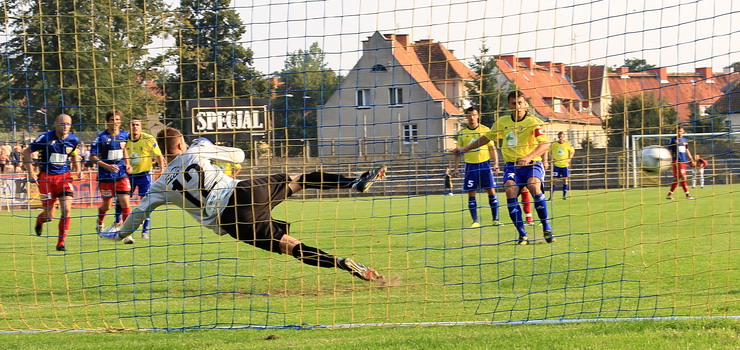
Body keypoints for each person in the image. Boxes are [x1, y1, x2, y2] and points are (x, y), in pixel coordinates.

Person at [101, 127, 387, 282]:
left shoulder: (162, 183)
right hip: (247, 193)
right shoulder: (197, 149)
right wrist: (211, 148)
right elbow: (238, 155)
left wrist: (121, 234)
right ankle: (352, 184)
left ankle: (340, 263)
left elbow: (138, 213)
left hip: (233, 222)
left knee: (289, 245)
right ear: (180, 145)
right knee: (300, 178)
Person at [453, 91, 554, 245]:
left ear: (525, 104)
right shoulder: (502, 122)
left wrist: (528, 157)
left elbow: (545, 143)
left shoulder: (534, 122)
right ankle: (522, 235)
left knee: (534, 185)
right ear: (509, 105)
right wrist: (465, 149)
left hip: (532, 164)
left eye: (520, 103)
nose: (517, 107)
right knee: (509, 188)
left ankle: (546, 227)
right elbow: (486, 138)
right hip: (511, 166)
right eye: (514, 104)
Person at [23, 114, 81, 251]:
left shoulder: (73, 139)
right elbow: (26, 152)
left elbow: (74, 153)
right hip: (47, 179)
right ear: (55, 124)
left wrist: (78, 168)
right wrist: (30, 172)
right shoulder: (45, 137)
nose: (65, 126)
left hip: (64, 177)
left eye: (67, 123)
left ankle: (61, 243)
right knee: (49, 216)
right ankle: (40, 220)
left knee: (66, 209)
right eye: (62, 123)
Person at [113, 117, 166, 239]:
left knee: (147, 202)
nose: (135, 127)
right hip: (128, 175)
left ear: (140, 127)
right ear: (129, 127)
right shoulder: (124, 139)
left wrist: (162, 170)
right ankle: (117, 222)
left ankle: (145, 231)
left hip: (145, 175)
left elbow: (158, 155)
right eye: (132, 124)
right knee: (121, 199)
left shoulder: (148, 138)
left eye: (137, 124)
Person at [453, 107, 500, 228]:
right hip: (470, 166)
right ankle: (475, 221)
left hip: (485, 164)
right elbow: (458, 152)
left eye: (474, 115)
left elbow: (491, 148)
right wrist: (456, 168)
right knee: (471, 192)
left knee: (491, 190)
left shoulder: (485, 130)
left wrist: (496, 163)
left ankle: (495, 219)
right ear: (466, 117)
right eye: (469, 115)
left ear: (478, 116)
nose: (472, 117)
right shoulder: (462, 133)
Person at [90, 110, 132, 232]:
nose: (115, 123)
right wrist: (107, 166)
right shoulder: (101, 138)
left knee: (125, 202)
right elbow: (92, 157)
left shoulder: (124, 135)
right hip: (106, 176)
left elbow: (124, 150)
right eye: (112, 120)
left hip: (121, 174)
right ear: (107, 122)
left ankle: (127, 231)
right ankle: (100, 221)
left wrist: (127, 164)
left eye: (118, 120)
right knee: (107, 205)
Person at [665, 126, 695, 200]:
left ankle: (669, 195)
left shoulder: (684, 140)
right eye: (678, 131)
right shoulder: (673, 140)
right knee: (683, 177)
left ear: (683, 131)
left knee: (678, 178)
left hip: (683, 161)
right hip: (676, 161)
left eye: (680, 131)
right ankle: (688, 195)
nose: (679, 133)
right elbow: (670, 150)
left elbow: (687, 150)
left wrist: (691, 159)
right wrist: (670, 160)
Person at [549, 131, 575, 200]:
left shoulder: (568, 144)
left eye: (562, 136)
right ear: (558, 137)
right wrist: (552, 158)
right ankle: (551, 196)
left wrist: (569, 158)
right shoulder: (553, 144)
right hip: (556, 165)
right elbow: (548, 151)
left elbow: (572, 152)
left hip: (565, 165)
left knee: (565, 180)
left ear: (564, 137)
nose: (561, 138)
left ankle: (564, 196)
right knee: (554, 180)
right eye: (560, 137)